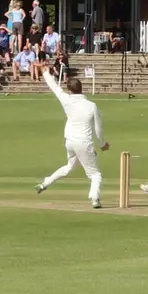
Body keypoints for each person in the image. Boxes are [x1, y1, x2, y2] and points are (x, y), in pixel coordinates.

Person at [37, 68, 109, 209]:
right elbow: (98, 129)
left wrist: (44, 71)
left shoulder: (67, 100)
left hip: (70, 142)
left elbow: (55, 87)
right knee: (95, 175)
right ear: (82, 89)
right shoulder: (91, 105)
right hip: (84, 143)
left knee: (69, 167)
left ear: (70, 90)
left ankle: (45, 183)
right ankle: (94, 198)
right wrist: (102, 144)